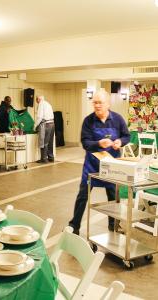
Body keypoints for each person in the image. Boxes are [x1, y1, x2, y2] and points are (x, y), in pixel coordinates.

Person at [69, 90, 130, 235]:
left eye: (100, 103)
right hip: (91, 165)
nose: (97, 106)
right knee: (83, 195)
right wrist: (99, 143)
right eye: (94, 102)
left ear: (108, 104)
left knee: (113, 196)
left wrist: (120, 142)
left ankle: (113, 223)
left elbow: (127, 136)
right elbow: (85, 143)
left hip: (112, 165)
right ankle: (74, 225)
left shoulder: (118, 119)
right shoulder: (88, 121)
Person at [35, 95, 55, 163]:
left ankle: (43, 159)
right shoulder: (48, 103)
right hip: (52, 123)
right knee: (50, 142)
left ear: (38, 99)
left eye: (36, 100)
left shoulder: (41, 104)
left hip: (46, 124)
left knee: (44, 142)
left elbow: (40, 117)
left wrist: (35, 126)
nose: (36, 102)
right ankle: (51, 157)